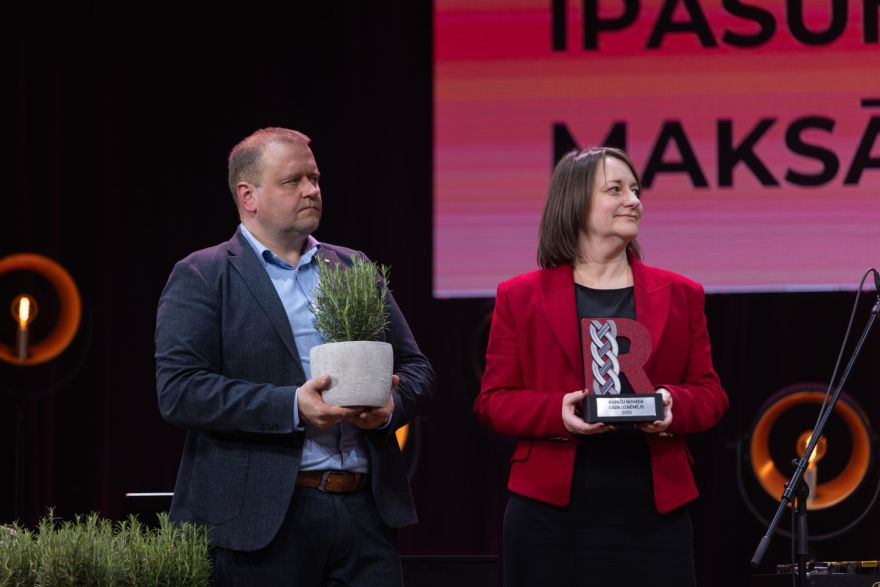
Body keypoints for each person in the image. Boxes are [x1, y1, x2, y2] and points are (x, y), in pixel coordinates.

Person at [155, 127, 434, 586]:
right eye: (293, 181)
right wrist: (292, 407)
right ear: (249, 195)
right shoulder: (204, 275)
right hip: (264, 525)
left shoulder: (354, 267)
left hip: (365, 514)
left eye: (316, 178)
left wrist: (387, 412)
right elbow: (180, 391)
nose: (312, 190)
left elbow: (417, 370)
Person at [474, 147, 728, 587]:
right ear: (575, 203)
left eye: (636, 190)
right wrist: (559, 412)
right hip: (549, 518)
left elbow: (710, 393)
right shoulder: (520, 296)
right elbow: (493, 403)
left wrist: (672, 404)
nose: (634, 200)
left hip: (654, 516)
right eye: (616, 190)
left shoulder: (683, 293)